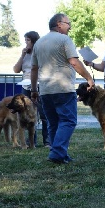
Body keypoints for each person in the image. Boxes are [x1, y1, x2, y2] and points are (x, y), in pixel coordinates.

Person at [30, 13, 95, 164]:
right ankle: (57, 153)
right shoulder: (64, 39)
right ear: (59, 24)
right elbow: (74, 62)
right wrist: (89, 78)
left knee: (54, 123)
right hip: (63, 88)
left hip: (45, 90)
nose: (70, 26)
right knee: (68, 121)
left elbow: (34, 68)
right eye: (68, 23)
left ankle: (60, 153)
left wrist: (34, 90)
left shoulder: (39, 43)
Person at [13, 31, 50, 148]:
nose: (26, 43)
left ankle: (47, 141)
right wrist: (22, 55)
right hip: (26, 87)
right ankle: (30, 141)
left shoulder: (41, 52)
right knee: (27, 115)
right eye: (25, 41)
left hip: (39, 85)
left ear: (34, 41)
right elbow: (16, 69)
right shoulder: (25, 54)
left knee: (43, 114)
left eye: (28, 40)